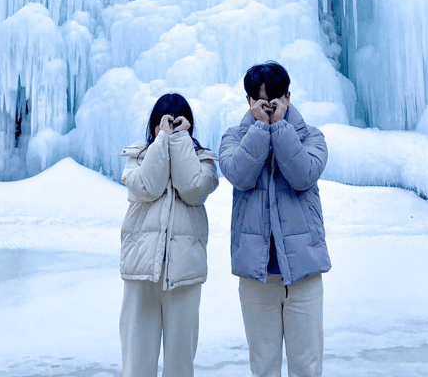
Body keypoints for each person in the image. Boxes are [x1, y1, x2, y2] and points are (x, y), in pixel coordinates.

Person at [218, 61, 330, 377]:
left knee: (307, 367)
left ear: (288, 98)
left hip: (303, 274)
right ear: (248, 101)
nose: (268, 107)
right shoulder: (233, 138)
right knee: (264, 367)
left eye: (275, 99)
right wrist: (259, 131)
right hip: (257, 277)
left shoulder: (312, 138)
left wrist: (280, 128)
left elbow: (302, 175)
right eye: (260, 100)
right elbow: (239, 174)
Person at [119, 93, 219, 377]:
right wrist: (162, 142)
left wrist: (178, 141)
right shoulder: (136, 157)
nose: (170, 126)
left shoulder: (204, 161)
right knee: (137, 362)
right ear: (154, 124)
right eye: (164, 122)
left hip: (184, 273)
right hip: (141, 270)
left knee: (180, 364)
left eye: (177, 123)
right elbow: (147, 186)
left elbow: (193, 188)